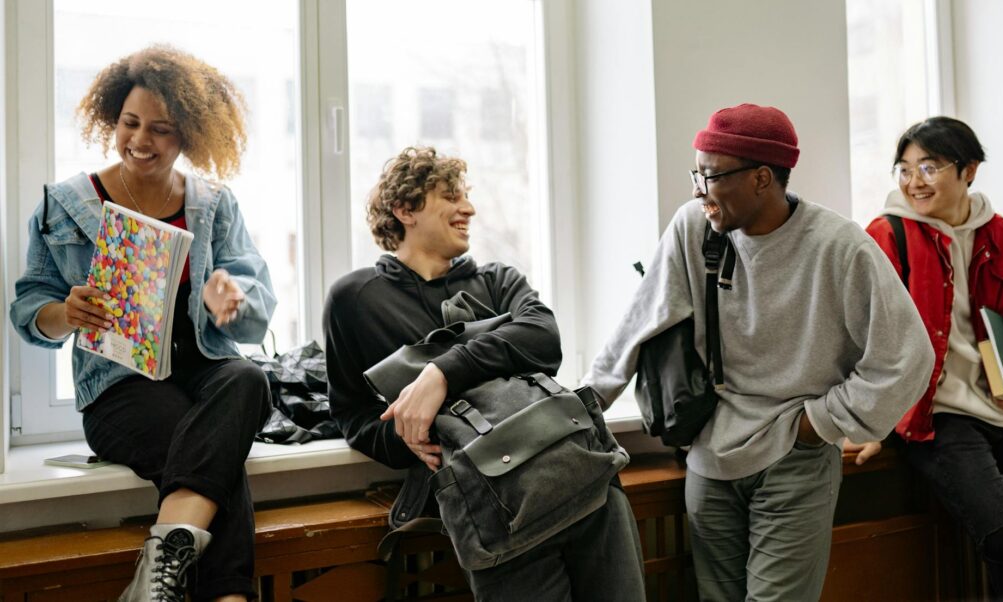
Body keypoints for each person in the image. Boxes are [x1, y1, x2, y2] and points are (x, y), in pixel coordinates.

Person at [584, 103, 934, 601]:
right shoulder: (694, 227)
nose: (697, 190)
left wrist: (823, 423)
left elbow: (907, 355)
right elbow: (639, 322)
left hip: (795, 459)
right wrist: (578, 412)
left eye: (711, 177)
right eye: (696, 174)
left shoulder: (839, 247)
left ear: (762, 178)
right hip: (709, 458)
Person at [9, 46, 276, 602]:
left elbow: (255, 311)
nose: (141, 141)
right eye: (130, 123)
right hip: (120, 388)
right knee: (213, 456)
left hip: (206, 379)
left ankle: (158, 576)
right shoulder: (64, 205)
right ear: (113, 118)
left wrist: (231, 299)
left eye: (161, 129)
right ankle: (227, 597)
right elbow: (28, 308)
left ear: (188, 137)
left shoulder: (214, 205)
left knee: (247, 377)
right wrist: (65, 313)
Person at [324, 147, 645, 601]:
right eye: (451, 196)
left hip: (587, 483)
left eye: (466, 196)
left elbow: (544, 337)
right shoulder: (354, 300)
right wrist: (411, 439)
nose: (469, 208)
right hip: (493, 512)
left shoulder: (497, 280)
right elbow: (351, 414)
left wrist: (441, 372)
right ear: (405, 209)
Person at [863, 116, 1003, 599]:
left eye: (929, 167)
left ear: (969, 170)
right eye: (905, 169)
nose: (914, 182)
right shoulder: (887, 235)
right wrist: (869, 421)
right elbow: (862, 337)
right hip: (935, 416)